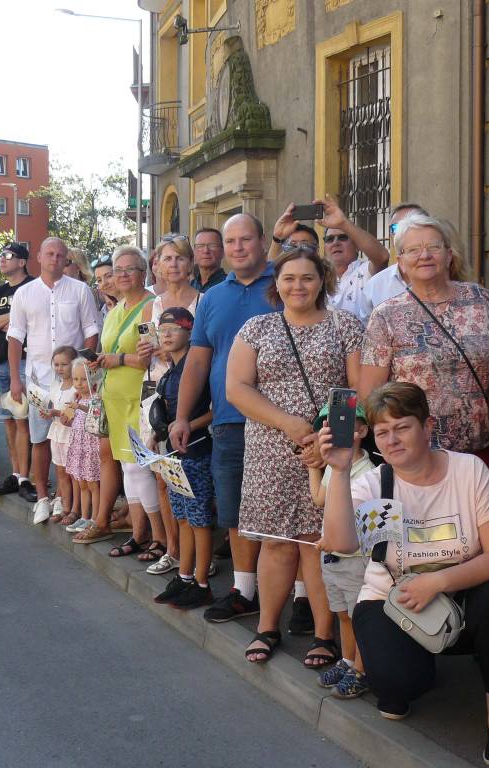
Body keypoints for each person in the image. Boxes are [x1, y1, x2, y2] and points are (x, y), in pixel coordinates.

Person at [320, 382, 489, 766]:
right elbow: (341, 542)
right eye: (382, 432)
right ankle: (404, 673)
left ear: (427, 427)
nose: (392, 440)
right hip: (391, 601)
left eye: (403, 427)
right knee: (399, 685)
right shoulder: (373, 484)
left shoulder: (468, 470)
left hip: (462, 595)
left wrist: (438, 581)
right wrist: (340, 471)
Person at [227, 243, 363, 667]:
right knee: (277, 543)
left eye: (307, 277)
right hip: (271, 450)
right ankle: (267, 627)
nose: (297, 285)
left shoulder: (346, 326)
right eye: (288, 278)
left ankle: (324, 636)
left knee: (316, 545)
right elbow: (237, 389)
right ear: (277, 283)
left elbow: (357, 392)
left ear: (322, 280)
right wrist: (289, 424)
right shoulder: (257, 328)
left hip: (328, 450)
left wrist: (329, 442)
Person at [169, 213, 279, 623]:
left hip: (281, 420)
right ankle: (245, 590)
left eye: (245, 239)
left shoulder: (284, 283)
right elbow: (197, 362)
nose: (237, 248)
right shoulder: (212, 296)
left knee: (291, 510)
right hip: (229, 421)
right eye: (230, 241)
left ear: (262, 241)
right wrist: (182, 416)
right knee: (233, 510)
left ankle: (301, 597)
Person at [358, 214, 489, 477]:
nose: (424, 255)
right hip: (415, 459)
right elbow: (369, 394)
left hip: (480, 452)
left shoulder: (482, 300)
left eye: (433, 247)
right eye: (413, 250)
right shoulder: (385, 316)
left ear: (449, 255)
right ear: (401, 263)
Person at [76, 246, 166, 555]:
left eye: (130, 269)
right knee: (129, 470)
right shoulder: (114, 311)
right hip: (115, 399)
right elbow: (113, 354)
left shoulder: (150, 306)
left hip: (139, 399)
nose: (123, 275)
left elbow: (151, 357)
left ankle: (159, 537)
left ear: (144, 274)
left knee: (141, 469)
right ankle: (139, 533)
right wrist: (99, 361)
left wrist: (118, 358)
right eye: (118, 270)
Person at [8, 237, 100, 523]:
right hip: (37, 379)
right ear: (38, 256)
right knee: (40, 440)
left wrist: (84, 372)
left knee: (69, 440)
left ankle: (64, 499)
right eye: (50, 254)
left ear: (67, 260)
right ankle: (43, 498)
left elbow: (91, 330)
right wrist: (14, 378)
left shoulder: (81, 290)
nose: (55, 259)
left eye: (62, 256)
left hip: (72, 383)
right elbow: (14, 336)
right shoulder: (24, 293)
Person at [137, 233, 203, 574]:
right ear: (158, 266)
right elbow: (143, 351)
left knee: (188, 475)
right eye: (167, 258)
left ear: (190, 263)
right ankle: (173, 548)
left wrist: (177, 351)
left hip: (190, 392)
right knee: (161, 475)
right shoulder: (153, 305)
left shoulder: (202, 300)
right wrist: (149, 350)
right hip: (157, 391)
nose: (173, 264)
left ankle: (195, 552)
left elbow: (207, 349)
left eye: (179, 258)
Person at [150, 307, 216, 610]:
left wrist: (188, 425)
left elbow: (217, 410)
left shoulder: (199, 364)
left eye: (175, 327)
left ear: (190, 333)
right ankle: (185, 575)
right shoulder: (171, 368)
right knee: (184, 518)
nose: (166, 333)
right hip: (174, 452)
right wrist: (157, 433)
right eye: (163, 328)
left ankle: (202, 583)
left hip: (198, 449)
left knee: (200, 520)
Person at [310, 403, 373, 699]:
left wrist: (332, 540)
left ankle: (362, 669)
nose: (331, 431)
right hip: (332, 558)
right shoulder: (333, 465)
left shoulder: (367, 473)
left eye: (340, 426)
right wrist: (314, 467)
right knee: (344, 616)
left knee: (358, 616)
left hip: (353, 560)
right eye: (326, 427)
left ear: (361, 431)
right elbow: (320, 499)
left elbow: (361, 525)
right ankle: (349, 662)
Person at [0, 243, 36, 497]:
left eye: (8, 256)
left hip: (25, 361)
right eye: (0, 255)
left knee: (24, 421)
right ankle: (15, 474)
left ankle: (27, 477)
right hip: (1, 361)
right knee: (9, 421)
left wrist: (3, 323)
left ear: (22, 261)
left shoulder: (33, 287)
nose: (1, 260)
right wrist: (13, 319)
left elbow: (32, 323)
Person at [360, 202, 430, 321]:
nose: (402, 232)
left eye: (411, 225)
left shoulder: (446, 277)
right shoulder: (375, 286)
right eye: (395, 228)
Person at [64, 358, 101, 533]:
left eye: (84, 379)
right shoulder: (76, 397)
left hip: (91, 449)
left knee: (93, 484)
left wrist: (79, 406)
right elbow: (72, 421)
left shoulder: (96, 398)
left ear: (93, 378)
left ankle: (96, 518)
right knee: (82, 484)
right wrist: (60, 416)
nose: (79, 384)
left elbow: (96, 414)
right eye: (76, 379)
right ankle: (85, 517)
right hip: (79, 448)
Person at [44, 346, 78, 523]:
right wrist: (49, 413)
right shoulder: (54, 385)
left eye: (64, 364)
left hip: (70, 437)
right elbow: (56, 411)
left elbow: (72, 414)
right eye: (56, 364)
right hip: (56, 434)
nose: (59, 368)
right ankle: (66, 507)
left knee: (74, 475)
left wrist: (56, 413)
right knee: (61, 473)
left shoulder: (76, 388)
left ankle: (75, 509)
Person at [191, 227, 226, 293]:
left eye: (212, 245)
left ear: (222, 252)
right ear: (194, 252)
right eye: (200, 246)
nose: (206, 251)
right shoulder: (189, 287)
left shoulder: (230, 286)